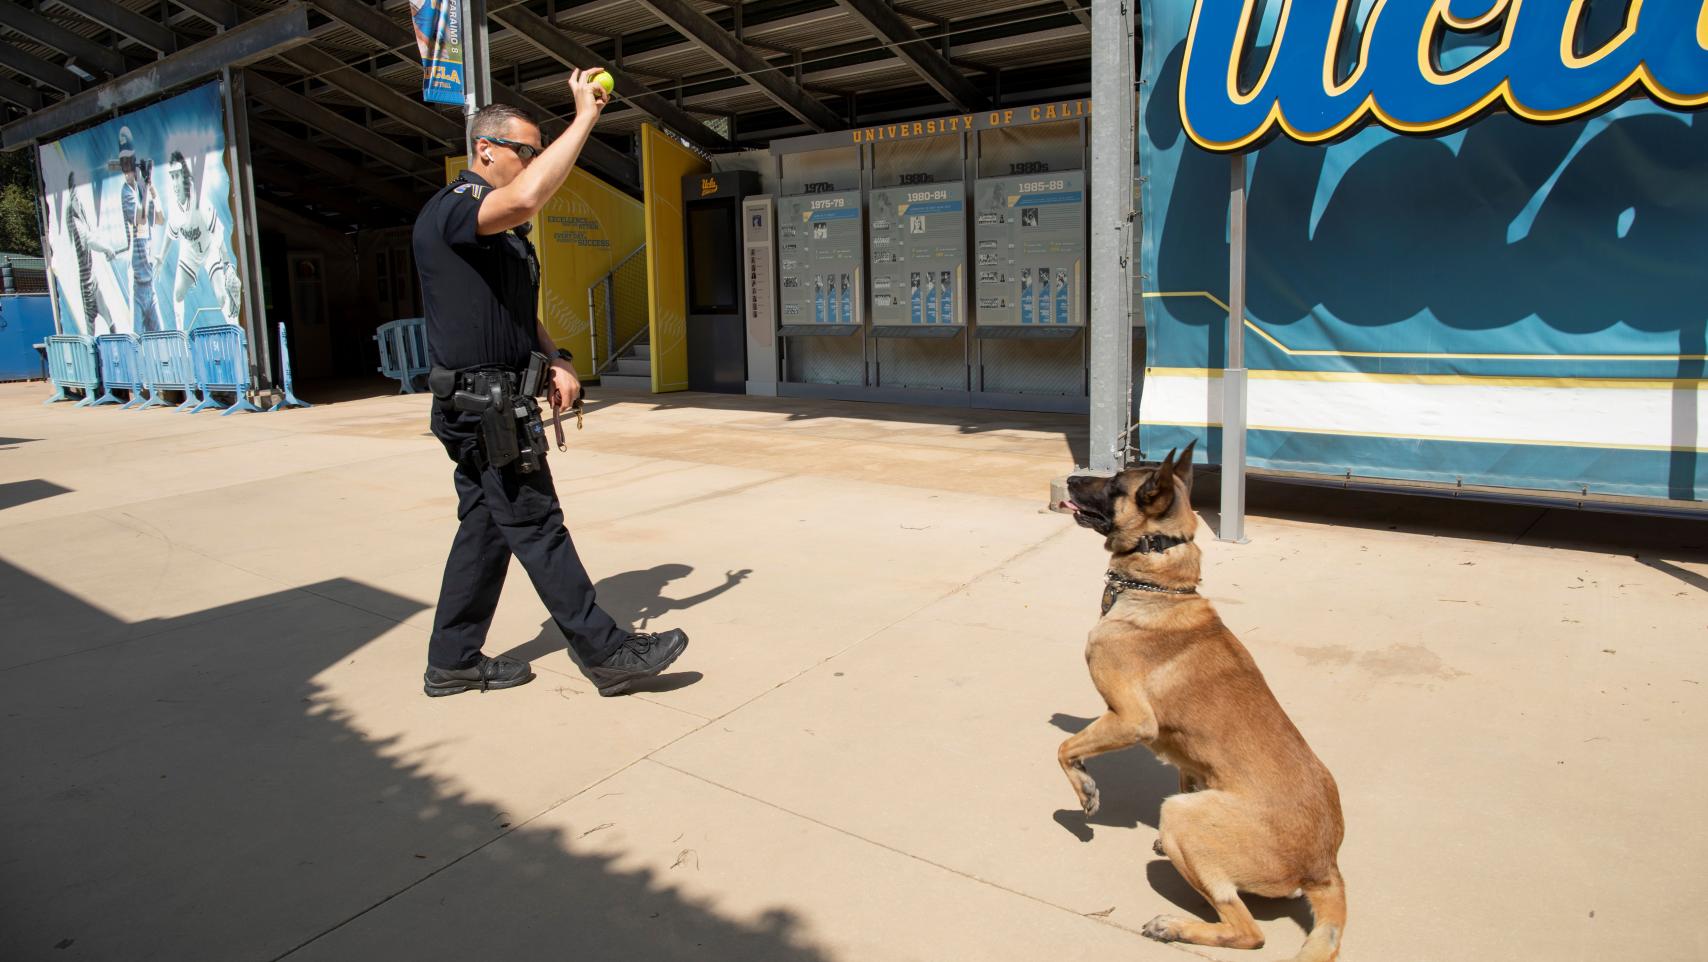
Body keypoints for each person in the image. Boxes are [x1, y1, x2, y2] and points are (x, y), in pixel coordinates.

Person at [413, 71, 688, 698]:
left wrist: (555, 357)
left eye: (537, 151)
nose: (533, 161)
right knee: (537, 524)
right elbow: (530, 198)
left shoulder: (498, 234)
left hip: (498, 399)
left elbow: (517, 310)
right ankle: (609, 653)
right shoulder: (455, 208)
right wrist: (584, 117)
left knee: (486, 529)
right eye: (526, 150)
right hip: (483, 408)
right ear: (485, 149)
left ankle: (453, 659)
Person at [164, 150, 243, 327]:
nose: (175, 182)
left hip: (208, 247)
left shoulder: (200, 200)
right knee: (177, 293)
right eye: (172, 177)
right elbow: (170, 233)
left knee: (222, 296)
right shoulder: (175, 207)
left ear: (184, 177)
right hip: (190, 250)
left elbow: (217, 231)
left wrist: (227, 263)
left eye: (177, 176)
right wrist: (160, 258)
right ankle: (180, 338)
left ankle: (235, 329)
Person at [118, 127, 164, 332]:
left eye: (129, 162)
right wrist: (145, 186)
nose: (127, 169)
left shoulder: (142, 189)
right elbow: (141, 219)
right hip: (136, 282)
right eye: (123, 164)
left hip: (150, 283)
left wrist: (151, 186)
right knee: (136, 339)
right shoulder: (126, 191)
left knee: (161, 336)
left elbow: (160, 218)